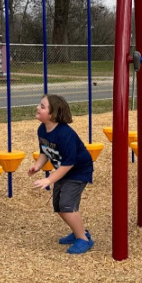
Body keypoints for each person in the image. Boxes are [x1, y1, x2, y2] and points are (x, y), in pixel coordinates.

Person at [28, 94, 95, 254]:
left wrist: (49, 179)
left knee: (66, 205)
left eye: (42, 107)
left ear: (52, 115)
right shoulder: (42, 129)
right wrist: (37, 165)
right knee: (58, 205)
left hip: (78, 171)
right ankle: (78, 231)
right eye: (40, 105)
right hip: (63, 171)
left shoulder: (65, 134)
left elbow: (69, 163)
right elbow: (45, 150)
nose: (38, 107)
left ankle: (84, 239)